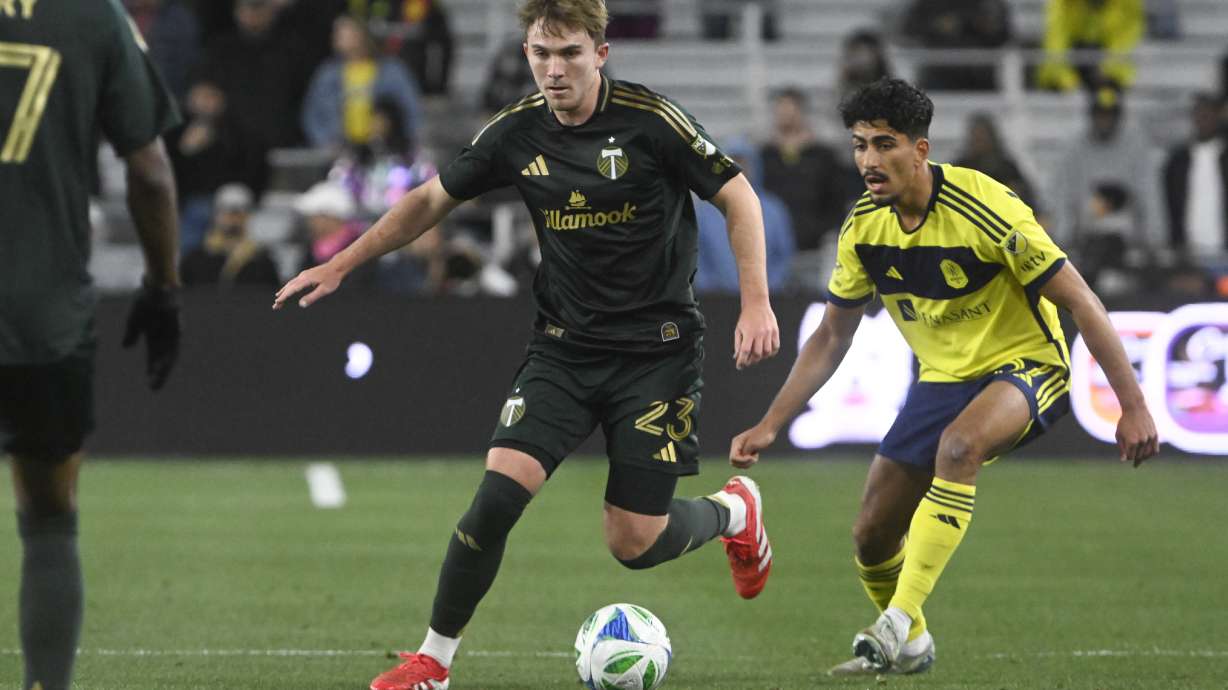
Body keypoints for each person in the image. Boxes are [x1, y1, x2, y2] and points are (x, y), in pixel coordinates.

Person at [273, 2, 780, 688]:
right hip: (564, 353)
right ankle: (433, 662)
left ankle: (732, 512)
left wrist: (756, 302)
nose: (553, 69)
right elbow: (429, 201)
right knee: (495, 500)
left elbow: (739, 196)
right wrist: (342, 262)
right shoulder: (517, 131)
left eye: (568, 53)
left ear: (600, 52)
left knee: (634, 542)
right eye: (541, 53)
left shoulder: (650, 120)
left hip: (656, 357)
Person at [729, 78, 1158, 677]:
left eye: (885, 145)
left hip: (1029, 365)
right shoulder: (863, 229)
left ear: (921, 149)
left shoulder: (985, 206)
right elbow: (831, 335)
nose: (869, 162)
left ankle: (897, 619)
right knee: (871, 535)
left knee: (959, 447)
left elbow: (1082, 301)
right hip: (943, 380)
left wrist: (1132, 406)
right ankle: (914, 643)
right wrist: (772, 421)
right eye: (859, 146)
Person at [0, 2, 183, 689]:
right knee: (48, 517)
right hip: (41, 312)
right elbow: (151, 171)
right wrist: (163, 288)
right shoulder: (93, 15)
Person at [301, 14, 423, 151]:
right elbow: (311, 115)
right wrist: (326, 144)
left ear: (360, 35)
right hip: (341, 151)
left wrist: (403, 140)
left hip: (384, 150)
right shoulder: (327, 74)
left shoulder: (392, 71)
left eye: (344, 33)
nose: (336, 37)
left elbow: (411, 110)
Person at [180, 183, 281, 289]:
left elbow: (273, 299)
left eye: (239, 213)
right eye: (227, 212)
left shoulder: (263, 262)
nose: (233, 219)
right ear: (216, 215)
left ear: (249, 216)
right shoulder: (195, 260)